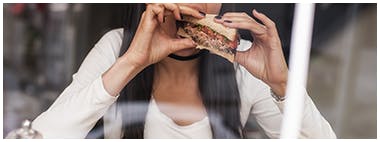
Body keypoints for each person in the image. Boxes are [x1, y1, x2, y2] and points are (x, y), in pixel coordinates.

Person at [31, 3, 336, 138]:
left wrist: (282, 85)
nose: (200, 5)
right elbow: (42, 137)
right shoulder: (116, 47)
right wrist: (131, 63)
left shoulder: (242, 58)